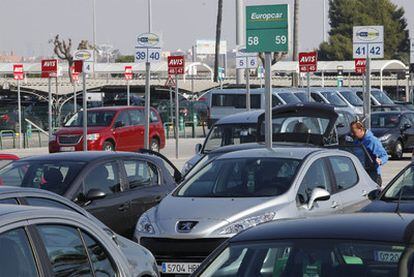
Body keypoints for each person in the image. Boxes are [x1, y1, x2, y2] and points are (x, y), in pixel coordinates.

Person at [350, 120, 388, 186]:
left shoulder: (372, 141)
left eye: (354, 132)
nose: (352, 134)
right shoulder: (356, 141)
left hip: (373, 174)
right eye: (352, 132)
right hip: (361, 173)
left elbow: (384, 155)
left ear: (361, 129)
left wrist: (380, 160)